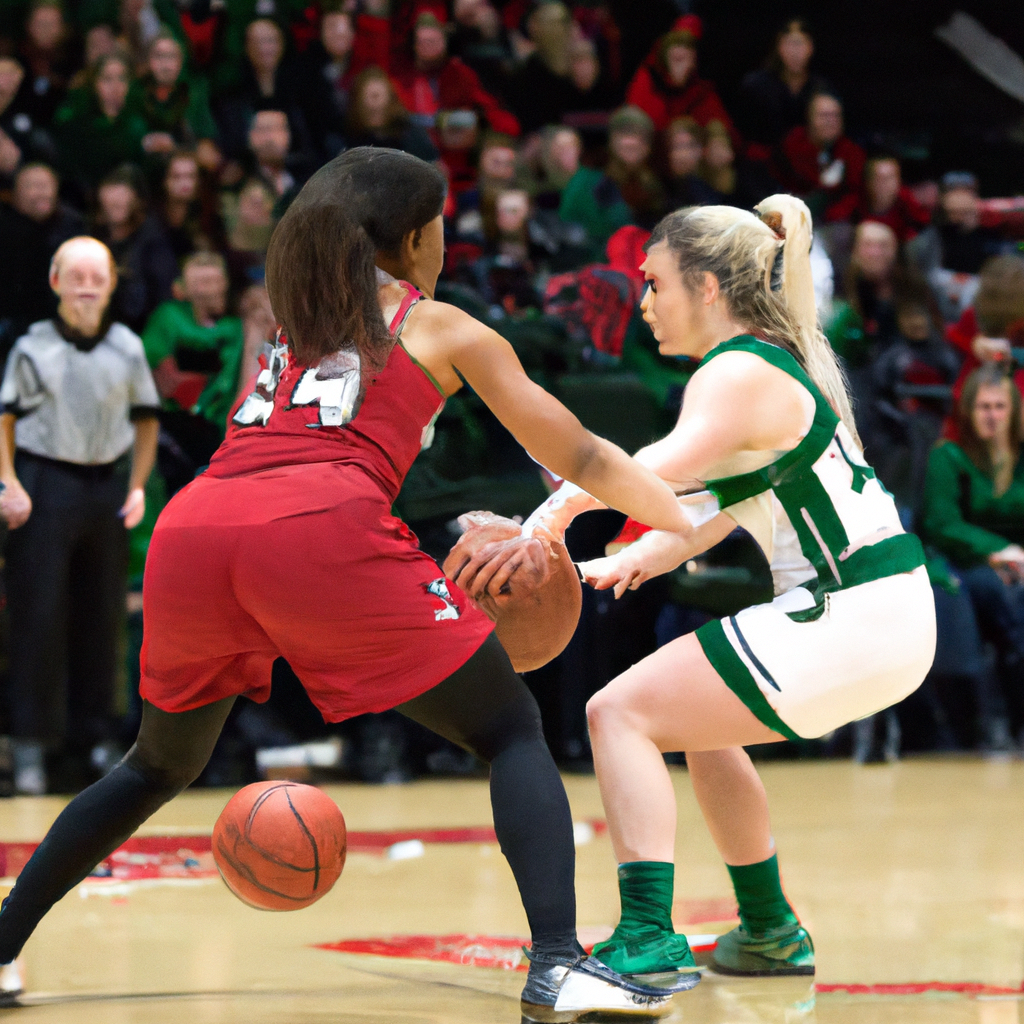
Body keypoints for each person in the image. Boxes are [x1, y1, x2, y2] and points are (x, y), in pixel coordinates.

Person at [0, 148, 689, 1020]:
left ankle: (0, 945)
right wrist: (680, 518)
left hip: (197, 525)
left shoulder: (298, 321)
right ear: (412, 238)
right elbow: (581, 455)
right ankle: (558, 962)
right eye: (440, 229)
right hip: (313, 526)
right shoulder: (441, 326)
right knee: (512, 728)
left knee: (156, 764)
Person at [458, 195, 935, 985]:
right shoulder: (766, 366)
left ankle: (647, 932)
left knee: (617, 712)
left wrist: (541, 523)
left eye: (655, 284)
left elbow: (648, 470)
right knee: (700, 725)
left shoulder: (738, 370)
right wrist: (638, 556)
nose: (643, 302)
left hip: (855, 608)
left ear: (709, 289)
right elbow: (715, 505)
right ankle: (771, 930)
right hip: (881, 613)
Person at [0, 236, 160, 798]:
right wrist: (10, 481)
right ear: (55, 281)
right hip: (45, 483)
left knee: (102, 616)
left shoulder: (127, 347)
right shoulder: (31, 346)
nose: (87, 285)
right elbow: (5, 417)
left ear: (112, 283)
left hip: (105, 487)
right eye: (77, 275)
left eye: (98, 275)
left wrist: (137, 485)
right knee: (37, 616)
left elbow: (146, 419)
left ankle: (95, 739)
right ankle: (30, 747)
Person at [921, 367, 1024, 743]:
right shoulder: (949, 456)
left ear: (1013, 410)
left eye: (1000, 406)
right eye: (983, 407)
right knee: (1006, 599)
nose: (992, 415)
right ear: (967, 410)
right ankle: (1002, 726)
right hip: (967, 564)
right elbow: (942, 524)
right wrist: (999, 551)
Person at [142, 251, 244, 495]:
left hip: (224, 437)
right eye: (204, 283)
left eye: (218, 282)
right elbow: (166, 384)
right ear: (182, 289)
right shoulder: (169, 318)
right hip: (175, 437)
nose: (213, 290)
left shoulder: (237, 327)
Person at [0, 163, 84, 358]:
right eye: (31, 186)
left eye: (46, 185)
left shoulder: (74, 228)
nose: (41, 192)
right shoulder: (6, 231)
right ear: (14, 194)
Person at [624, 15, 738, 145]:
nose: (682, 65)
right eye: (677, 59)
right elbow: (642, 128)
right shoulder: (648, 78)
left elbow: (727, 138)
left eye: (687, 58)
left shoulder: (701, 91)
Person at [91, 165, 178, 333]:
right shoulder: (93, 238)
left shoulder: (153, 241)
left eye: (123, 196)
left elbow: (162, 295)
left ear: (137, 200)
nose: (116, 201)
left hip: (142, 329)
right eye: (111, 199)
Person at [735, 18, 830, 157]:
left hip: (808, 162)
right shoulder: (755, 86)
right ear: (779, 47)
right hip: (763, 164)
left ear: (811, 48)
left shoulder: (821, 89)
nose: (795, 52)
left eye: (800, 44)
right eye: (790, 44)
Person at [776, 92, 864, 223]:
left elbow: (855, 194)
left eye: (836, 116)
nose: (830, 121)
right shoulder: (791, 146)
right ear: (809, 118)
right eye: (824, 116)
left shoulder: (851, 152)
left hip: (833, 222)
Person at [344, 67, 437, 162]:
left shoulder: (411, 133)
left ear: (391, 99)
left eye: (377, 95)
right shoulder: (348, 140)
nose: (373, 104)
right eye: (365, 96)